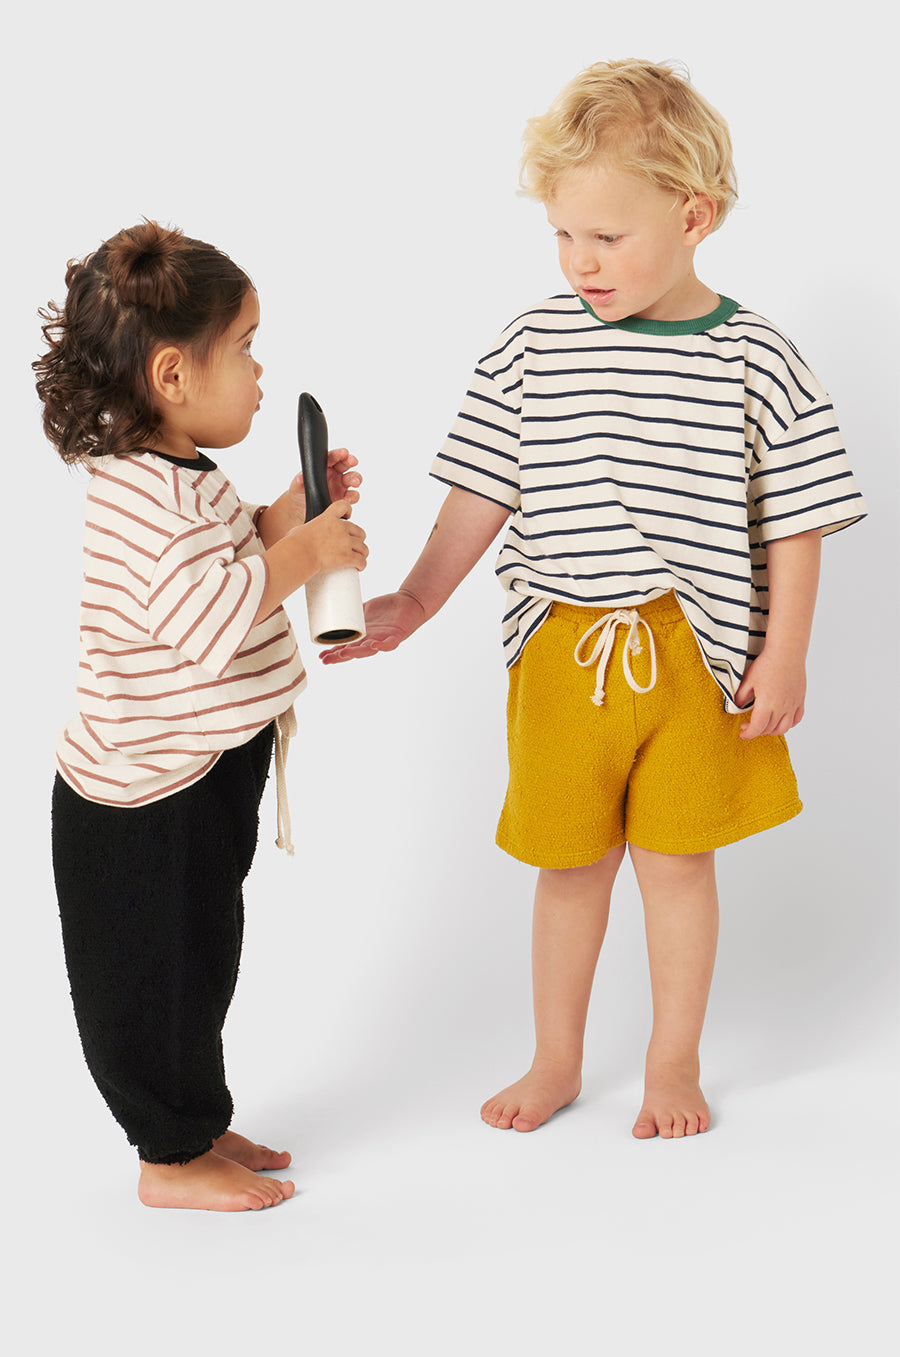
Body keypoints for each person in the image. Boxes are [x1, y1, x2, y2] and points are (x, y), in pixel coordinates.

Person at [322, 60, 866, 1139]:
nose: (581, 262)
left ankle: (673, 1062)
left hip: (696, 654)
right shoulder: (535, 343)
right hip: (564, 649)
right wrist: (415, 601)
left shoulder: (758, 358)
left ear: (693, 216)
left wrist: (788, 652)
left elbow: (792, 521)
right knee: (569, 866)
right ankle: (557, 1056)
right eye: (564, 236)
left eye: (607, 238)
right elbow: (481, 487)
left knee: (677, 865)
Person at [36, 221, 368, 1208]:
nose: (262, 372)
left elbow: (226, 565)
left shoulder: (182, 477)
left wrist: (286, 518)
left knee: (200, 961)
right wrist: (306, 558)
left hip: (199, 771)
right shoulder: (144, 498)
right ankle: (167, 1158)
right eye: (248, 346)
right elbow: (212, 618)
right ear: (175, 373)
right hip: (145, 799)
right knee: (152, 979)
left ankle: (194, 1114)